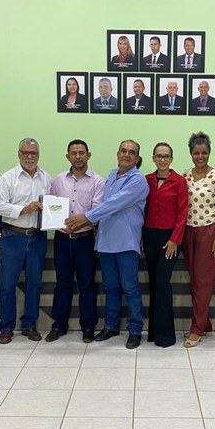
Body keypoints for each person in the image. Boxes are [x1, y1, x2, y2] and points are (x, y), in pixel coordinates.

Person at [65, 140, 149, 349]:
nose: (126, 155)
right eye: (123, 151)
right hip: (106, 241)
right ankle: (111, 326)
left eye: (131, 152)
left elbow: (114, 204)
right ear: (117, 153)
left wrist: (87, 217)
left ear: (137, 158)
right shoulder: (112, 175)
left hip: (126, 242)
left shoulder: (138, 180)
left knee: (130, 288)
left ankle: (135, 330)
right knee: (110, 287)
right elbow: (103, 204)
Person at [0, 138, 52, 344]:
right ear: (18, 154)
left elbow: (53, 207)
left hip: (37, 237)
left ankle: (29, 325)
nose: (29, 156)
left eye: (33, 153)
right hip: (13, 236)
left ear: (38, 155)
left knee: (34, 284)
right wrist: (22, 210)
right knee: (7, 285)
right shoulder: (8, 178)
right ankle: (6, 327)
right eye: (25, 153)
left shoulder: (47, 179)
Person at [48, 139, 105, 343]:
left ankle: (88, 327)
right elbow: (51, 207)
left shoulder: (98, 181)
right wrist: (57, 223)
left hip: (85, 240)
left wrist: (80, 223)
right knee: (62, 283)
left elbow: (97, 210)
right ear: (68, 156)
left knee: (87, 284)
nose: (78, 156)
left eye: (82, 153)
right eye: (74, 153)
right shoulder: (58, 180)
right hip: (62, 239)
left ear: (89, 155)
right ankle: (58, 325)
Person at [182, 132, 215, 347]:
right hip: (188, 232)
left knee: (204, 281)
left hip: (208, 232)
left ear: (209, 153)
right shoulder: (185, 175)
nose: (200, 156)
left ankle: (197, 329)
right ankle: (205, 323)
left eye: (204, 153)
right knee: (194, 280)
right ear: (191, 154)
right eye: (196, 153)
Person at [143, 142, 188, 347]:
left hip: (170, 239)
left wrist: (174, 240)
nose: (162, 159)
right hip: (149, 236)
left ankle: (166, 335)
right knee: (154, 283)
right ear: (153, 158)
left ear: (171, 159)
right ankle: (153, 332)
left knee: (162, 282)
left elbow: (183, 214)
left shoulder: (179, 181)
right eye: (159, 156)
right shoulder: (146, 180)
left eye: (166, 156)